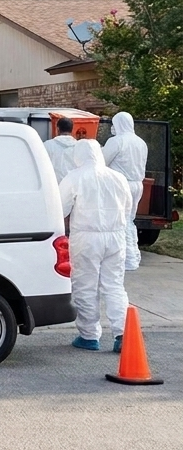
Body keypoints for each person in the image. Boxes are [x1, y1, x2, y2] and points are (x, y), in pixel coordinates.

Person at [59, 139, 133, 353]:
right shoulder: (118, 178)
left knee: (85, 285)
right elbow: (127, 208)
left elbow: (61, 209)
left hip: (86, 237)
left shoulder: (74, 177)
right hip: (116, 236)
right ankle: (122, 334)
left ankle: (89, 336)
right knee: (115, 285)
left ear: (78, 155)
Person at [102, 111, 149, 271]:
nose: (113, 127)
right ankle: (133, 256)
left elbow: (102, 161)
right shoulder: (141, 142)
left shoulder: (116, 141)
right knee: (130, 220)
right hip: (138, 185)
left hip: (121, 185)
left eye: (114, 124)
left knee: (121, 221)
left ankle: (127, 259)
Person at [43, 117, 78, 182]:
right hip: (73, 186)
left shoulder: (47, 145)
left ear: (58, 129)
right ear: (72, 130)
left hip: (55, 185)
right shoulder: (79, 146)